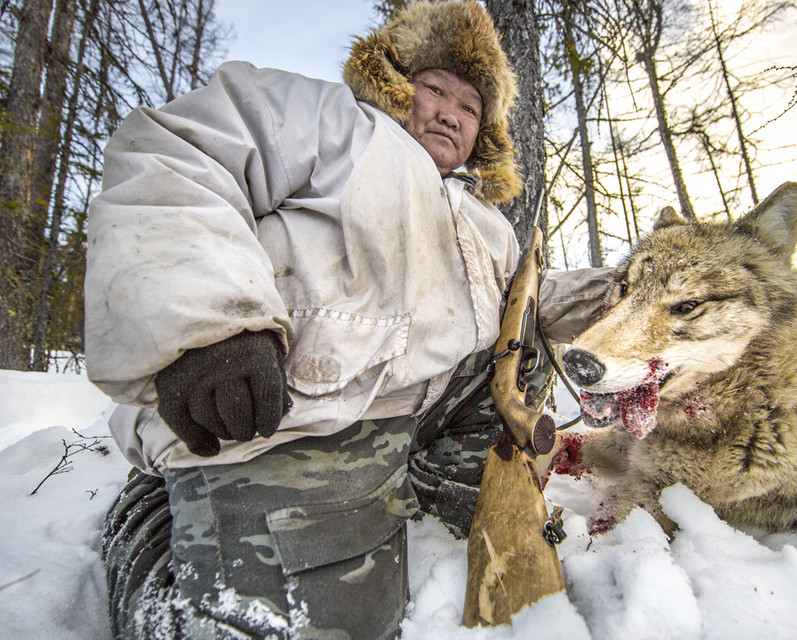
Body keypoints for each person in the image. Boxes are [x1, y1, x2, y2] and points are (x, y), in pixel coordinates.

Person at [87, 2, 611, 638]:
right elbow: (175, 154)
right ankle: (154, 517)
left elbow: (527, 302)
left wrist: (635, 289)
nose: (450, 111)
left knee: (517, 353)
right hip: (282, 412)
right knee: (317, 628)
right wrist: (213, 327)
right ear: (395, 82)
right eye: (435, 88)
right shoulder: (330, 120)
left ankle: (427, 497)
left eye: (471, 107)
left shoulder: (486, 223)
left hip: (412, 419)